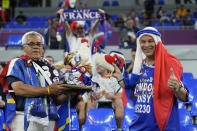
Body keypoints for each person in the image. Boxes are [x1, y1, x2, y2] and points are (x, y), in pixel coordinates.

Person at [115, 27, 188, 130]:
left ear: (157, 42)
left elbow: (184, 97)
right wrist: (120, 80)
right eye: (143, 42)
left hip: (163, 127)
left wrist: (177, 88)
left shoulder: (171, 64)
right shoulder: (138, 67)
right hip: (138, 126)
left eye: (150, 41)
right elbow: (133, 96)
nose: (146, 45)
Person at [3, 31, 71, 131]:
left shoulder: (50, 67)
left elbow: (56, 99)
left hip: (49, 117)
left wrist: (69, 91)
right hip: (24, 117)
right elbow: (19, 89)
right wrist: (48, 90)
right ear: (24, 47)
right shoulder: (17, 63)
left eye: (39, 44)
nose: (36, 47)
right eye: (31, 44)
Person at [86, 53, 124, 130]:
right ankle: (89, 124)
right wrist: (95, 96)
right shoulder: (94, 79)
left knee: (119, 100)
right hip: (98, 102)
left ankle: (119, 127)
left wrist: (112, 97)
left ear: (106, 67)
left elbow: (120, 94)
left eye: (100, 65)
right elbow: (90, 94)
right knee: (90, 101)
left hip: (111, 103)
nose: (97, 67)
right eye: (97, 65)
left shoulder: (114, 80)